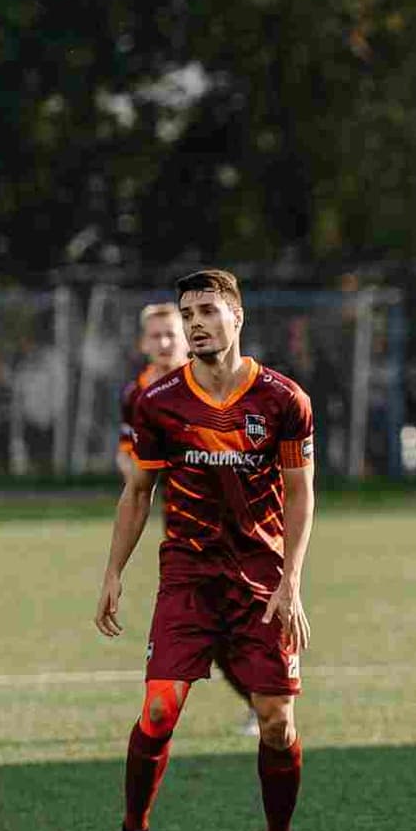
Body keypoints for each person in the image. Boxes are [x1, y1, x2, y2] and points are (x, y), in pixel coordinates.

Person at [95, 269, 316, 831]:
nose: (195, 323)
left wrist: (291, 580)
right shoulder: (158, 401)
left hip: (262, 581)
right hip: (188, 577)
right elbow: (138, 492)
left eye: (207, 312)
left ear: (237, 318)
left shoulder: (282, 400)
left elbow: (302, 495)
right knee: (159, 709)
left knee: (278, 723)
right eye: (188, 313)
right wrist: (113, 572)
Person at [119, 303, 262, 739]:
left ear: (185, 339)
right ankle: (261, 701)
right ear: (143, 343)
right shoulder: (137, 396)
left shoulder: (214, 383)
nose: (164, 343)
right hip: (185, 534)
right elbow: (132, 458)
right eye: (155, 336)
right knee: (208, 630)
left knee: (231, 627)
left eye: (170, 334)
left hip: (238, 530)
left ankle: (267, 699)